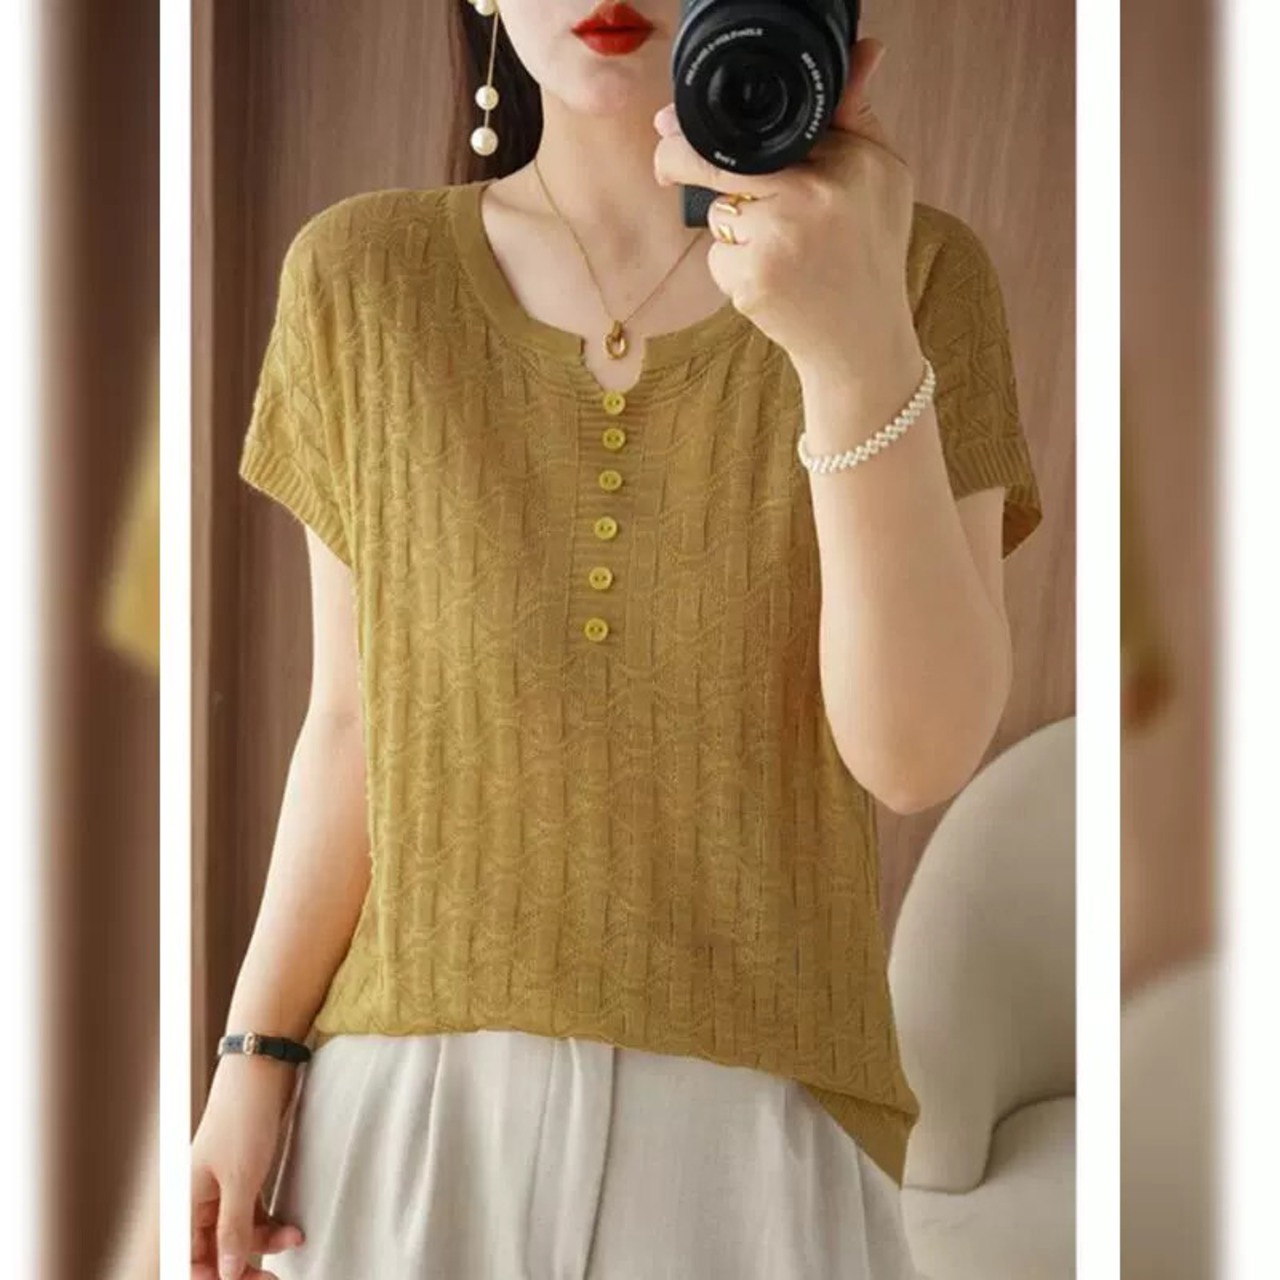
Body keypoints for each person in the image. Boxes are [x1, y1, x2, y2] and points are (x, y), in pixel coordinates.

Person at [190, 2, 1043, 1276]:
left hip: (756, 1148)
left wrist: (851, 348)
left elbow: (914, 756)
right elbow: (353, 723)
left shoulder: (913, 275)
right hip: (410, 1128)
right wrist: (252, 1056)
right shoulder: (360, 276)